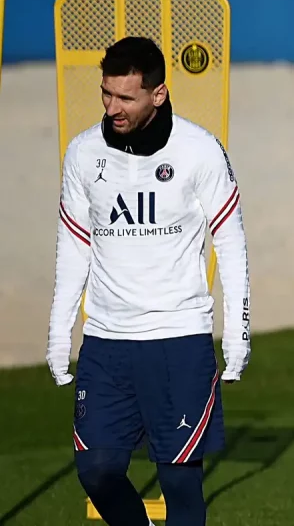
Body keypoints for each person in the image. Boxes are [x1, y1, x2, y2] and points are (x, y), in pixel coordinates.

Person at [45, 36, 250, 526]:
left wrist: (238, 332)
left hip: (179, 340)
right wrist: (58, 333)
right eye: (106, 94)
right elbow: (74, 247)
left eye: (125, 97)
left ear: (158, 94)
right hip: (106, 342)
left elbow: (232, 244)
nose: (112, 107)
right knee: (97, 471)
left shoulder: (200, 150)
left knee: (179, 483)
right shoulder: (82, 153)